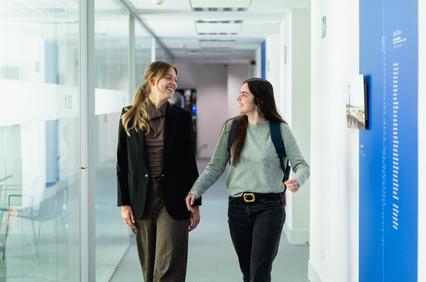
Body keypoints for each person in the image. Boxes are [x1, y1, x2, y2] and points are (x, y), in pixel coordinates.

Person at [185, 78, 310, 282]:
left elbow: (302, 165)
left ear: (259, 100)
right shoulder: (232, 128)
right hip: (238, 208)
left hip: (270, 207)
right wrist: (195, 191)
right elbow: (215, 167)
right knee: (248, 272)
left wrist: (297, 180)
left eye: (244, 94)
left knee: (259, 272)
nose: (238, 98)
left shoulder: (279, 130)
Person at [117, 61, 201, 282]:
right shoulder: (129, 116)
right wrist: (124, 203)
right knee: (149, 263)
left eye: (175, 79)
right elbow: (122, 165)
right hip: (141, 197)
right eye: (169, 78)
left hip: (174, 197)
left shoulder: (181, 117)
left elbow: (188, 163)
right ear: (153, 80)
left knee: (169, 263)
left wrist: (196, 203)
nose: (174, 83)